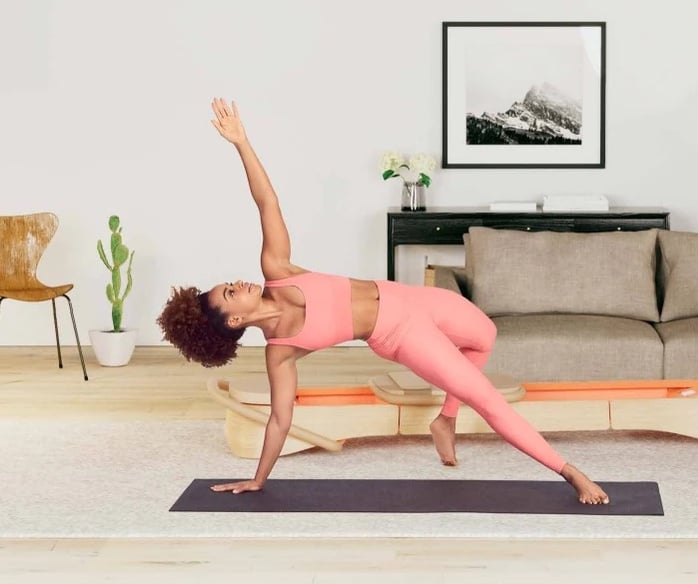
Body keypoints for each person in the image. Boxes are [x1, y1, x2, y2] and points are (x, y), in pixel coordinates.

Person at [156, 98, 610, 505]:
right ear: (235, 319)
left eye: (229, 282)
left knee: (484, 335)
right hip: (400, 334)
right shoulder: (282, 354)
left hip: (409, 297)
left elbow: (266, 201)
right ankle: (570, 473)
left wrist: (241, 142)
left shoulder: (277, 269)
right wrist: (258, 479)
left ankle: (445, 421)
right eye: (230, 292)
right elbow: (279, 420)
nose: (238, 282)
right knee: (488, 400)